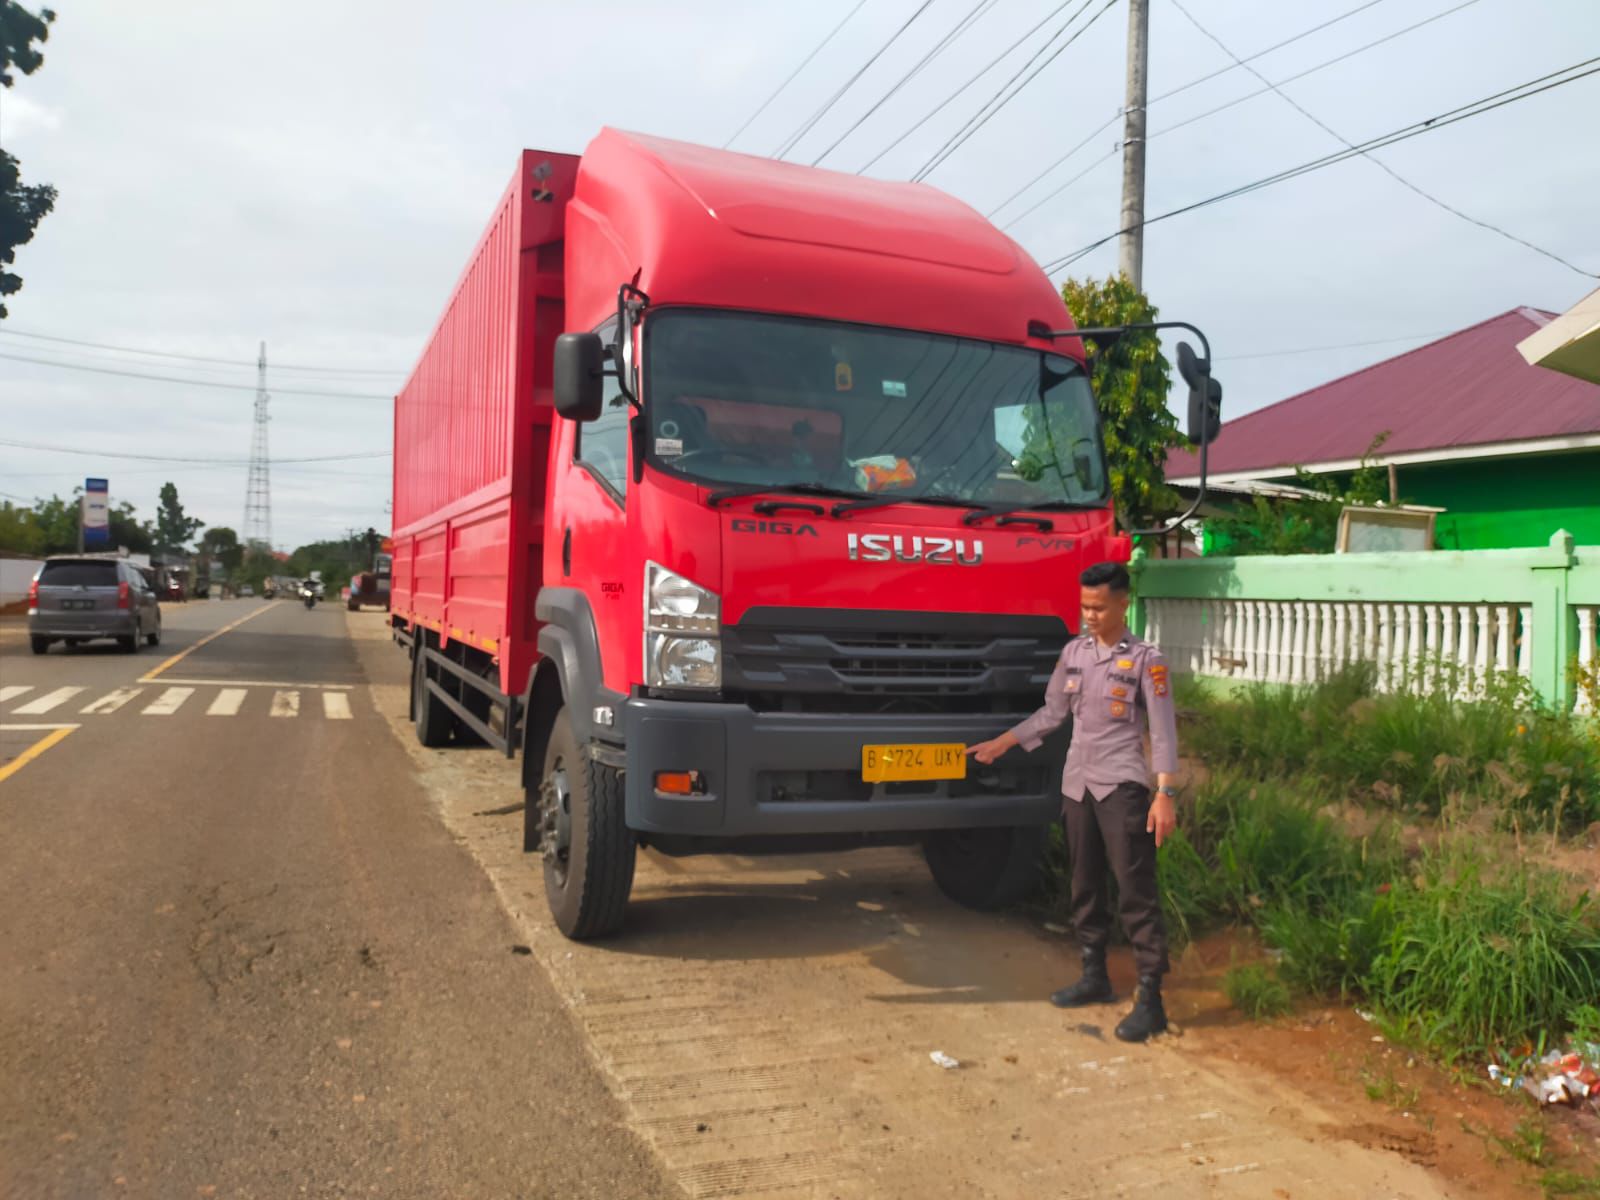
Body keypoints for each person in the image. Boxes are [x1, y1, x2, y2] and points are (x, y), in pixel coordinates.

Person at [966, 560, 1180, 1042]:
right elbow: (1051, 714)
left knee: (1135, 891)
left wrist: (1164, 794)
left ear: (1124, 603)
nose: (1090, 616)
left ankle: (1151, 997)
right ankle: (1094, 975)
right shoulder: (1073, 654)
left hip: (1122, 787)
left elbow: (1163, 732)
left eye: (1099, 607)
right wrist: (1004, 742)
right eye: (1084, 607)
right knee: (1083, 884)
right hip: (1077, 785)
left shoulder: (1148, 659)